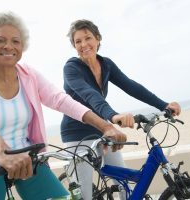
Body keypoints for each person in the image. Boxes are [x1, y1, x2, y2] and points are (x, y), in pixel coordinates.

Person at [0, 12, 127, 200]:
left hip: (28, 161)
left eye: (15, 41)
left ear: (22, 46)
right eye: (0, 40)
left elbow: (61, 100)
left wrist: (106, 126)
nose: (8, 46)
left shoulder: (29, 75)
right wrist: (2, 151)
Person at [60, 19, 181, 199]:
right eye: (78, 41)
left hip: (103, 132)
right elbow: (90, 95)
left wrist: (163, 105)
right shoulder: (72, 68)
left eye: (88, 38)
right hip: (78, 135)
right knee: (84, 195)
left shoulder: (106, 64)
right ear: (74, 46)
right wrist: (113, 116)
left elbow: (131, 86)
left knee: (126, 183)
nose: (84, 44)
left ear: (98, 39)